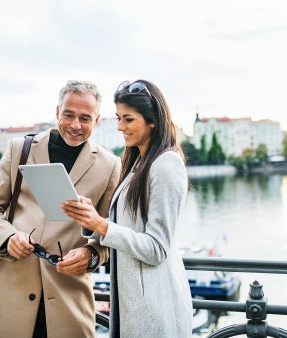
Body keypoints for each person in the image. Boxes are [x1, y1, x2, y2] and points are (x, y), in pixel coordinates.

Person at [0, 80, 121, 338]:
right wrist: (8, 238)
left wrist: (91, 255)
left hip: (68, 299)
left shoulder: (111, 165)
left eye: (85, 118)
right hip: (8, 295)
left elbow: (110, 233)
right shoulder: (19, 149)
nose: (75, 125)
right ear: (56, 113)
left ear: (96, 120)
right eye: (68, 115)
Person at [61, 79, 193, 338]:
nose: (121, 127)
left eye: (128, 120)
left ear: (152, 120)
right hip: (135, 306)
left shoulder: (166, 164)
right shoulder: (139, 163)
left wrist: (102, 224)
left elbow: (156, 249)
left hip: (155, 310)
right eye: (119, 118)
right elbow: (127, 228)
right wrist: (91, 222)